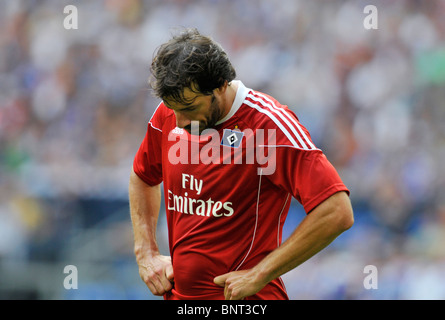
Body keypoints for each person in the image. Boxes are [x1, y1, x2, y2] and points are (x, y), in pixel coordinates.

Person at [129, 28, 354, 300]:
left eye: (189, 108)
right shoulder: (175, 109)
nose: (178, 122)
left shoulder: (268, 127)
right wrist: (146, 252)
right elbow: (143, 176)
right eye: (172, 108)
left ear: (221, 85)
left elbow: (337, 210)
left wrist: (259, 274)